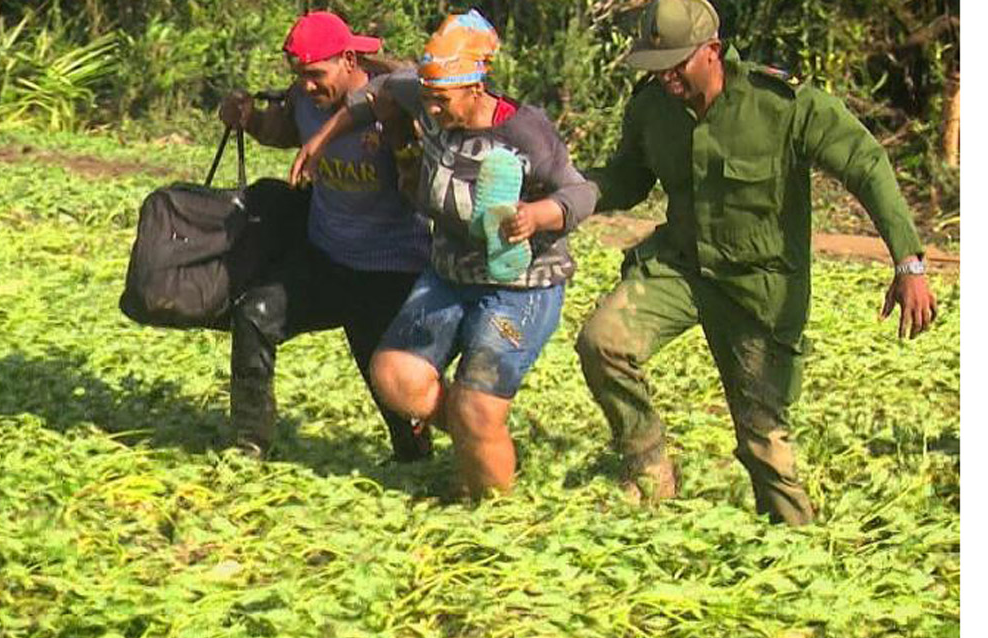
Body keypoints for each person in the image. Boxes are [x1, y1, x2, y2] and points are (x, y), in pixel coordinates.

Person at [576, 0, 938, 523]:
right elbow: (628, 179)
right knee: (602, 342)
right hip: (682, 267)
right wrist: (565, 192)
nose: (666, 78)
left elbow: (866, 165)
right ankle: (648, 466)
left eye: (676, 63)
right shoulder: (651, 108)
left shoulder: (784, 106)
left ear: (713, 52)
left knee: (763, 440)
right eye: (655, 66)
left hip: (758, 289)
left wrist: (908, 263)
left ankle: (794, 549)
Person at [291, 10, 598, 498]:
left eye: (442, 101)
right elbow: (380, 96)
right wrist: (321, 138)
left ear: (475, 88)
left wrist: (538, 215)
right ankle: (482, 439)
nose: (430, 111)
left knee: (477, 405)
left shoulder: (526, 133)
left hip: (521, 285)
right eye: (428, 99)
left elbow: (582, 194)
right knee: (395, 376)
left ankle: (495, 514)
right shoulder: (424, 93)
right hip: (451, 271)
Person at [219, 11, 433, 461]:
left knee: (387, 381)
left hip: (390, 266)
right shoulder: (304, 99)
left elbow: (418, 191)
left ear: (349, 60)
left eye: (316, 75)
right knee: (256, 315)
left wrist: (400, 144)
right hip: (327, 257)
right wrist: (248, 117)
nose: (308, 87)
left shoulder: (393, 99)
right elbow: (281, 130)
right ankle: (248, 444)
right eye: (301, 78)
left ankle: (416, 458)